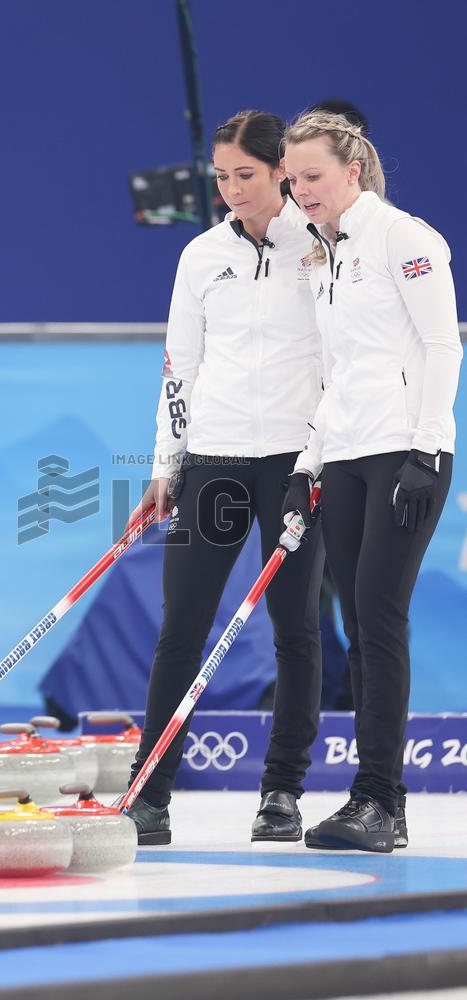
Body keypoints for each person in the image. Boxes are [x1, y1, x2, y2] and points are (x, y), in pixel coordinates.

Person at [126, 109, 326, 846]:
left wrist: (319, 457)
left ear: (280, 171)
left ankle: (281, 793)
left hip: (291, 464)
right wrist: (163, 467)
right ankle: (149, 795)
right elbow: (179, 368)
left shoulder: (320, 246)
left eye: (244, 175)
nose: (230, 190)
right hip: (210, 463)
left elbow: (341, 361)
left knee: (295, 630)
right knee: (178, 629)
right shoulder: (199, 255)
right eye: (220, 177)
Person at [282, 111, 462, 852]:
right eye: (291, 181)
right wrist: (304, 466)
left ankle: (379, 802)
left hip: (403, 454)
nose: (300, 193)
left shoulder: (405, 239)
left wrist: (427, 449)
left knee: (378, 619)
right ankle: (376, 800)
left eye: (312, 177)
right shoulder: (322, 260)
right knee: (357, 627)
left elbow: (440, 346)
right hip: (348, 457)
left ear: (353, 169)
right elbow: (338, 378)